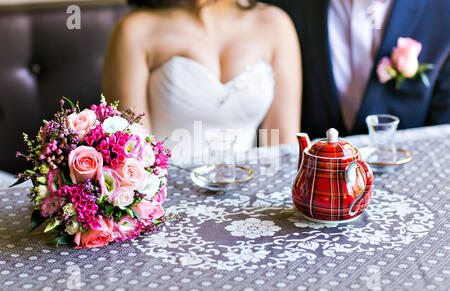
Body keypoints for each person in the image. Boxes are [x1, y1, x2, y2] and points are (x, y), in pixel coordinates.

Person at [103, 0, 301, 160]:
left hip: (247, 194)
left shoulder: (275, 25)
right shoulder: (135, 30)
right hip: (165, 197)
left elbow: (283, 150)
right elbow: (131, 154)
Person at [266, 0, 450, 139]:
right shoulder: (281, 9)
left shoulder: (443, 12)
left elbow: (442, 136)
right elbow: (270, 132)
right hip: (313, 177)